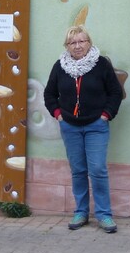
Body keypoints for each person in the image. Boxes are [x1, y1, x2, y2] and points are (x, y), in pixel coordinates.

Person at [44, 25, 123, 233]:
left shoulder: (101, 64)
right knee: (78, 171)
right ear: (67, 46)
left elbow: (115, 92)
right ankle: (80, 212)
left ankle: (104, 215)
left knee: (97, 170)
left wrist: (106, 115)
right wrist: (58, 115)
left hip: (96, 126)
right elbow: (49, 95)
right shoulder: (59, 67)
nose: (78, 46)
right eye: (73, 42)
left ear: (89, 42)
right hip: (70, 126)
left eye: (82, 41)